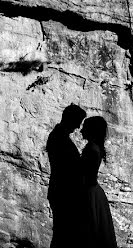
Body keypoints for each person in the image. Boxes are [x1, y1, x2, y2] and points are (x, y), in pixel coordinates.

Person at [46, 104, 87, 248]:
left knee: (63, 234)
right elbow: (66, 167)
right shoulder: (59, 137)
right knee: (62, 235)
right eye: (77, 121)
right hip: (63, 192)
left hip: (62, 191)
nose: (77, 127)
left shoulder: (60, 136)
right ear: (70, 119)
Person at [80, 116, 118, 248]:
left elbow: (86, 175)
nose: (81, 130)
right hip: (93, 191)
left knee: (91, 230)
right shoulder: (94, 147)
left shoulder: (91, 149)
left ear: (91, 130)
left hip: (89, 192)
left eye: (84, 127)